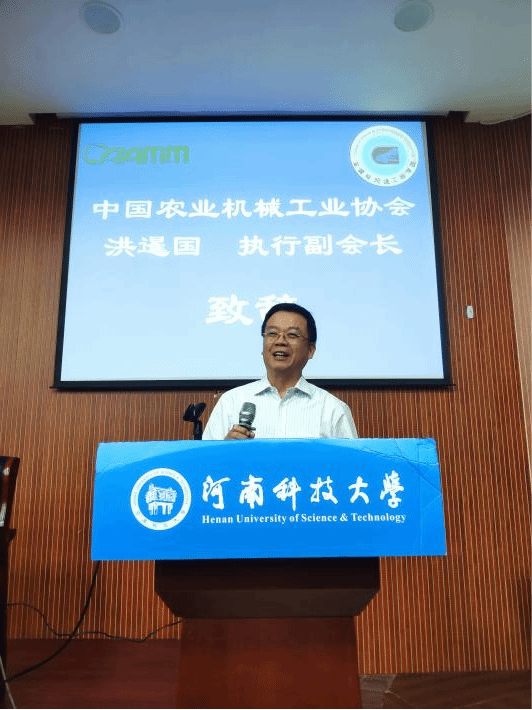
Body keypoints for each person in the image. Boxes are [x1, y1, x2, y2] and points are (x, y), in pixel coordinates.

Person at [202, 303, 358, 440]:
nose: (280, 341)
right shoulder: (231, 402)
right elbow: (205, 462)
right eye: (272, 333)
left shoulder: (332, 409)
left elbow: (352, 462)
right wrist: (225, 450)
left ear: (310, 350)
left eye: (292, 335)